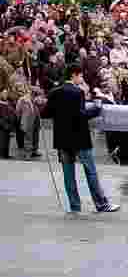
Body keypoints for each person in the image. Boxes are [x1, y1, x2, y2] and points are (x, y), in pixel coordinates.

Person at [41, 64, 121, 215]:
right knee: (90, 172)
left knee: (68, 174)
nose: (82, 79)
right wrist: (97, 108)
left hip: (62, 140)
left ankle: (75, 206)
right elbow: (81, 115)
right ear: (73, 75)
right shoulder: (77, 92)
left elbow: (45, 113)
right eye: (80, 76)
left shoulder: (54, 92)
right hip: (80, 138)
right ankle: (101, 204)